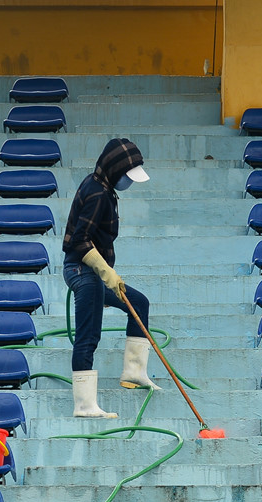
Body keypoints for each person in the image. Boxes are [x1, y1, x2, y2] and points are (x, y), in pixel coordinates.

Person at [62, 138, 160, 419]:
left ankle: (134, 373)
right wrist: (106, 273)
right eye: (127, 177)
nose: (129, 183)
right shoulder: (97, 195)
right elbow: (78, 242)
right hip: (82, 271)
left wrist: (106, 275)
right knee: (88, 335)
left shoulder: (103, 188)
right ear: (114, 170)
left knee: (138, 303)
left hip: (95, 273)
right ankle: (84, 406)